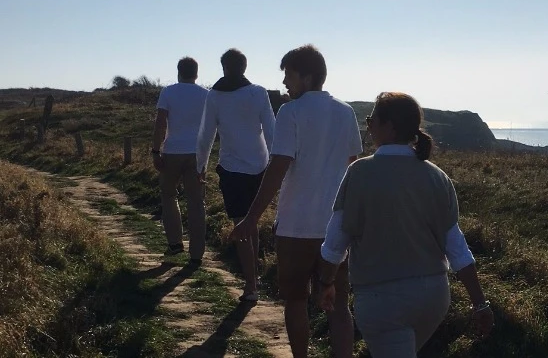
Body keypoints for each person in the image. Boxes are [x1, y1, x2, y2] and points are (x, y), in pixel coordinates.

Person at [316, 92, 494, 357]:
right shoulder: (437, 177)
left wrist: (326, 282)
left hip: (382, 299)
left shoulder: (359, 173)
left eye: (372, 119)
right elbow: (457, 247)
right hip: (433, 297)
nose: (368, 126)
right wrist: (479, 303)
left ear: (389, 126)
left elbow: (335, 243)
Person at [231, 44, 362, 358]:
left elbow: (278, 167)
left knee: (295, 300)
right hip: (336, 227)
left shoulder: (290, 112)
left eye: (289, 75)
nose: (285, 82)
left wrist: (252, 217)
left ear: (307, 77)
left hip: (295, 225)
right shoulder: (346, 112)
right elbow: (354, 166)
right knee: (339, 305)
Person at [196, 48, 276, 301]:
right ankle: (255, 277)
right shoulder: (258, 93)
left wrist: (200, 165)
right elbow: (271, 130)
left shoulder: (215, 96)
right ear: (244, 67)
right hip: (261, 165)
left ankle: (251, 284)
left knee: (241, 223)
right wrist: (276, 162)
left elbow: (206, 134)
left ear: (224, 67)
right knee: (251, 222)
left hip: (232, 168)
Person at [151, 56, 209, 262]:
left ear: (178, 72)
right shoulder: (206, 95)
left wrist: (155, 151)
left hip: (173, 151)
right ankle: (197, 253)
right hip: (197, 154)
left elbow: (160, 124)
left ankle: (175, 243)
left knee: (169, 195)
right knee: (196, 202)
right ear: (196, 73)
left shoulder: (168, 92)